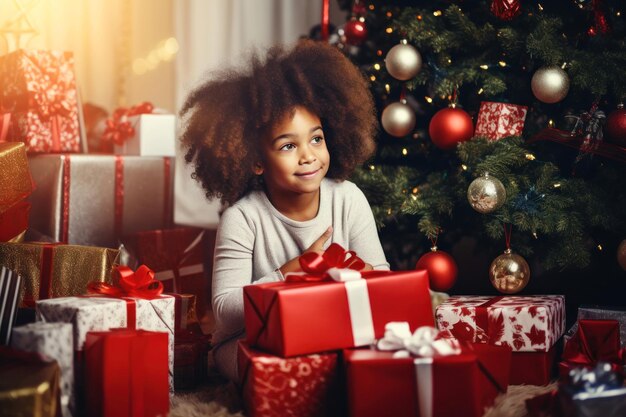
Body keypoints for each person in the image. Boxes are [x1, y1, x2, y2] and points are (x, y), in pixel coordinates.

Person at [179, 40, 390, 382]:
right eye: (289, 145)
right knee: (285, 369)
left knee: (379, 354)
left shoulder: (348, 199)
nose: (308, 156)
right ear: (256, 161)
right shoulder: (243, 218)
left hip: (326, 331)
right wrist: (291, 273)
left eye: (316, 139)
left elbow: (383, 281)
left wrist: (364, 272)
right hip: (254, 341)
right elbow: (224, 313)